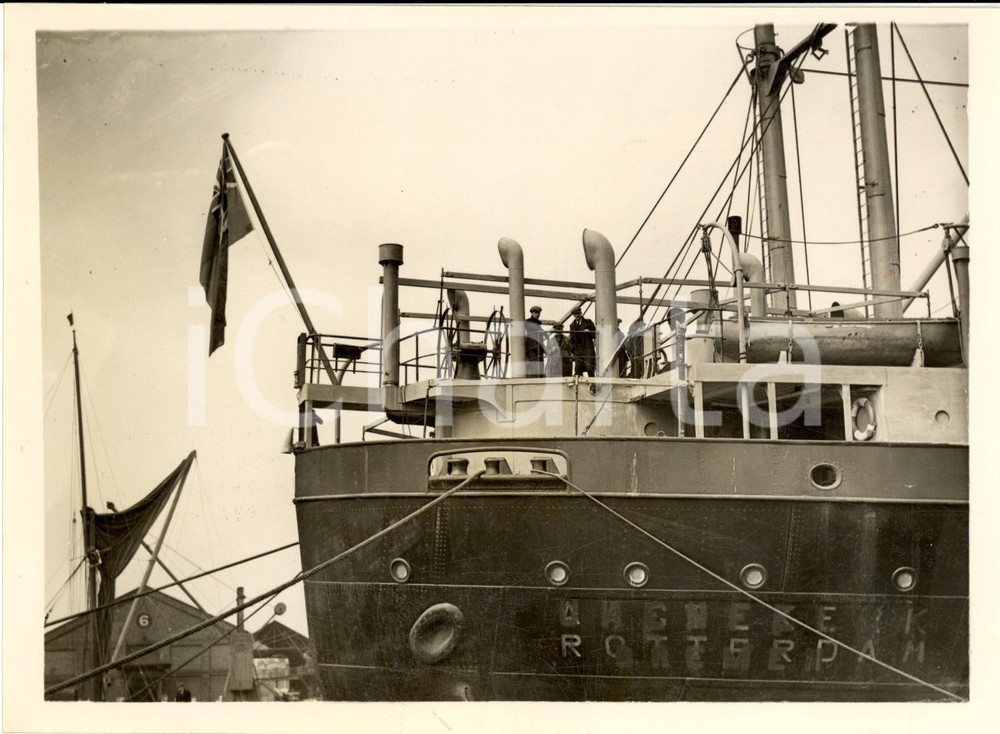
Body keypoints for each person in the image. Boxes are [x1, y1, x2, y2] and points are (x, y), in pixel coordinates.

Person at [569, 306, 596, 376]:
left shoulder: (588, 322)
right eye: (575, 314)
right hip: (578, 351)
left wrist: (589, 332)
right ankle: (579, 382)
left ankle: (593, 382)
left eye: (578, 313)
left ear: (581, 313)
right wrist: (573, 351)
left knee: (590, 368)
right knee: (578, 369)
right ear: (573, 315)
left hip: (588, 350)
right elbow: (571, 339)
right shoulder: (572, 325)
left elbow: (595, 335)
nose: (576, 315)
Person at [524, 305, 547, 377]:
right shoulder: (528, 322)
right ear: (532, 313)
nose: (537, 314)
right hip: (531, 347)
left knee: (540, 366)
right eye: (535, 312)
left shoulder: (538, 323)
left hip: (539, 347)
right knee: (533, 366)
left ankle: (539, 378)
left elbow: (542, 333)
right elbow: (535, 329)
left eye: (538, 313)